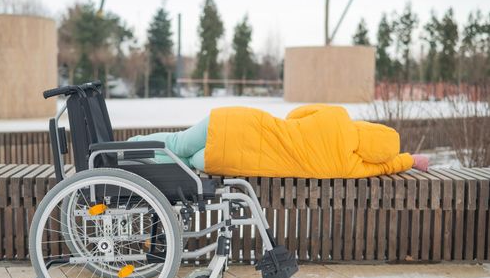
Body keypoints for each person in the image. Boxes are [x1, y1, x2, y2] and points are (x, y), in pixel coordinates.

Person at [129, 104, 429, 178]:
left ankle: (124, 149)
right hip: (230, 159)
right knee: (185, 161)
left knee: (177, 141)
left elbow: (296, 114)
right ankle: (135, 161)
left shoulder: (337, 116)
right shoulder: (348, 166)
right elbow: (385, 168)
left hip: (240, 122)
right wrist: (410, 160)